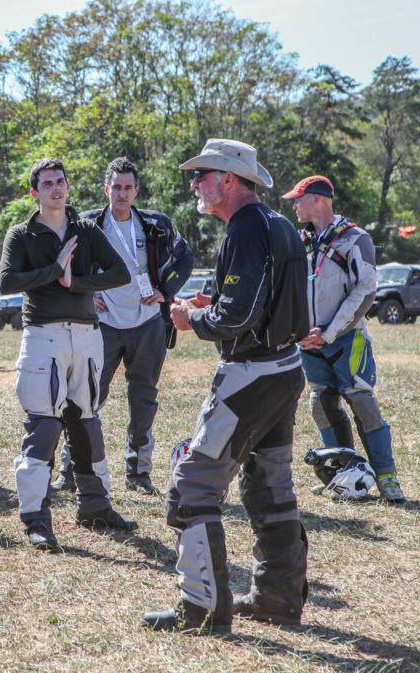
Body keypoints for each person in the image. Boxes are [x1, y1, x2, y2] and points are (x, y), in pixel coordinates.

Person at [142, 139, 309, 634]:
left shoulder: (246, 226)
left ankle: (202, 610)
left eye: (201, 175)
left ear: (230, 179)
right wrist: (212, 298)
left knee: (190, 488)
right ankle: (276, 598)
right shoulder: (276, 225)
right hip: (283, 369)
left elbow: (239, 314)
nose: (194, 184)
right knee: (269, 486)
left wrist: (192, 318)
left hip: (251, 376)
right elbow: (266, 297)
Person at [0, 158, 136, 553]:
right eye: (47, 183)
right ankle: (36, 520)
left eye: (60, 181)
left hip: (88, 336)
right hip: (44, 335)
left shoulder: (86, 230)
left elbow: (120, 273)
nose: (56, 188)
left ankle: (94, 506)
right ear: (34, 192)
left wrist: (76, 282)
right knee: (43, 426)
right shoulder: (21, 234)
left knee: (86, 421)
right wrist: (53, 267)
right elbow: (7, 282)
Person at [53, 157, 194, 496]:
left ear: (136, 190)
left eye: (128, 187)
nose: (122, 193)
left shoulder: (155, 224)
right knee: (85, 397)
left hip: (147, 325)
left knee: (143, 399)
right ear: (106, 189)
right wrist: (86, 292)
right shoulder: (87, 223)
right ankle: (70, 472)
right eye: (116, 187)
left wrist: (166, 291)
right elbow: (62, 262)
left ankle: (139, 473)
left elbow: (185, 257)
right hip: (101, 326)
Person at [283, 175, 405, 503]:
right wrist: (300, 332)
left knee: (363, 404)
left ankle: (387, 478)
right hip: (310, 342)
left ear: (319, 200)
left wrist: (330, 331)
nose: (294, 204)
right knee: (321, 404)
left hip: (347, 339)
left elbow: (365, 291)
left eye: (299, 198)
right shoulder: (299, 240)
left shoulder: (355, 238)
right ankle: (343, 474)